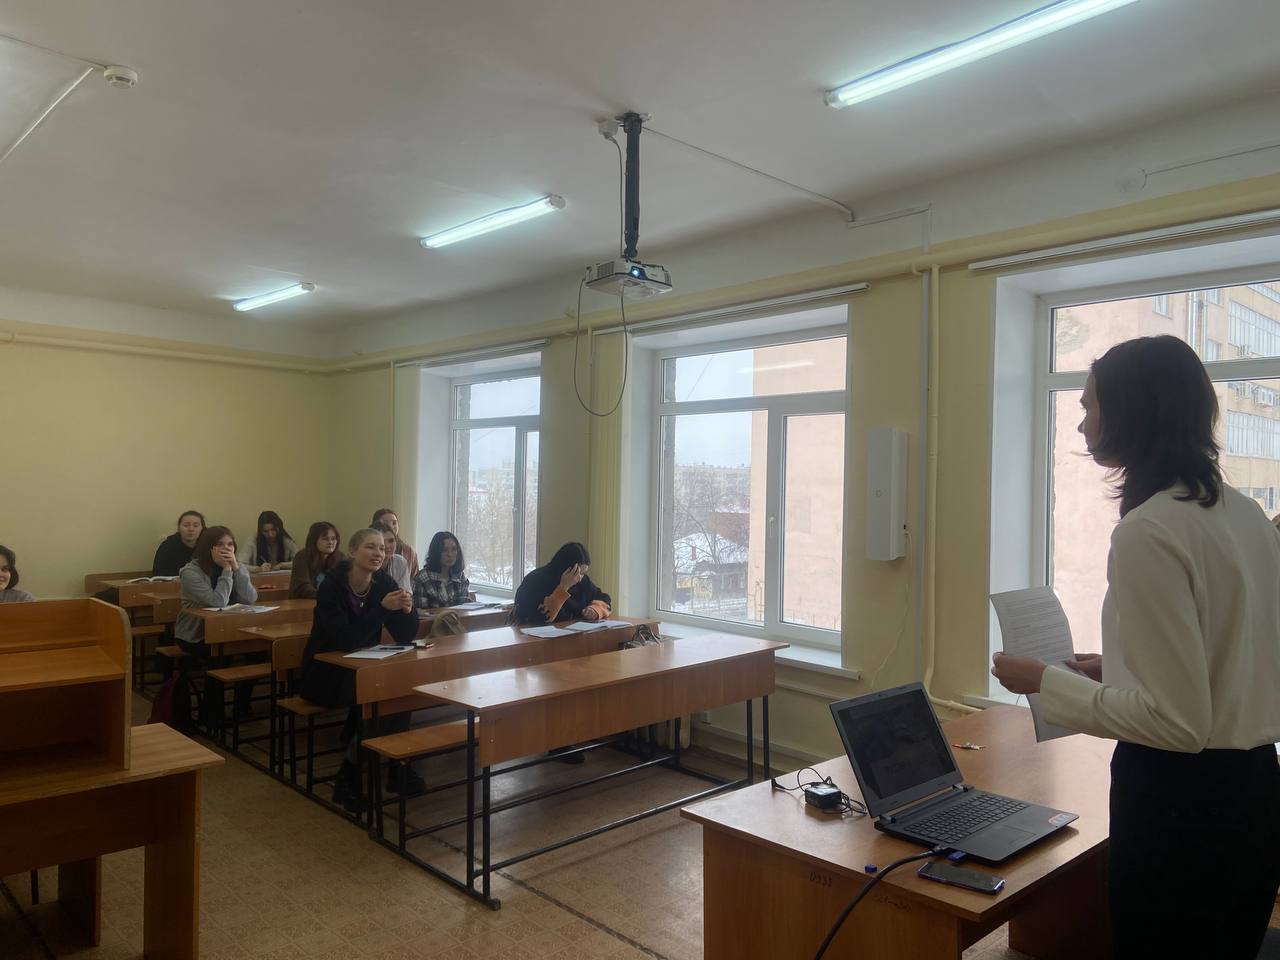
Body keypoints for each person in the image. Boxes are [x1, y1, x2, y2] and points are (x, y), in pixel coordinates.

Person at [991, 336, 1280, 959]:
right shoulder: (1247, 516)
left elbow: (1177, 724)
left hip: (1182, 807)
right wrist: (1115, 666)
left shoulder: (1149, 530)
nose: (1081, 422)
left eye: (1090, 406)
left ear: (1131, 410)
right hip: (1255, 792)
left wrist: (1046, 681)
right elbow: (1234, 654)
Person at [297, 528, 418, 810]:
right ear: (352, 551)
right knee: (378, 697)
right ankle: (349, 776)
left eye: (382, 548)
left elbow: (405, 635)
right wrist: (382, 609)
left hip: (362, 668)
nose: (379, 553)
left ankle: (397, 767)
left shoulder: (383, 581)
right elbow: (346, 640)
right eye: (370, 547)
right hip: (325, 672)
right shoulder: (332, 586)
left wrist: (407, 610)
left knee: (399, 693)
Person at [176, 526, 258, 719]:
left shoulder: (237, 566)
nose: (226, 549)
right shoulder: (190, 572)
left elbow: (250, 598)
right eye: (220, 544)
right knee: (219, 655)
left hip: (229, 629)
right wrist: (227, 570)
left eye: (230, 544)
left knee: (257, 651)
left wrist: (236, 569)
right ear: (208, 547)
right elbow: (217, 602)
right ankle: (212, 713)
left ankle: (241, 705)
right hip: (195, 634)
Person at [513, 542, 611, 625]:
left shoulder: (583, 582)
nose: (580, 578)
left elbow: (604, 599)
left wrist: (595, 610)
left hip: (573, 636)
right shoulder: (535, 580)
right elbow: (541, 618)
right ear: (566, 569)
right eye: (577, 573)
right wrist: (563, 587)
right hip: (535, 637)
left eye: (583, 573)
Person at [412, 531, 471, 610]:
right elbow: (420, 613)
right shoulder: (423, 578)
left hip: (459, 618)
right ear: (436, 552)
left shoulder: (460, 577)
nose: (450, 554)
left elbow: (465, 608)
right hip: (434, 618)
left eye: (454, 549)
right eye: (444, 550)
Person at [290, 521, 341, 599]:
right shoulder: (302, 556)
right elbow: (302, 587)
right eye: (325, 539)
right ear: (314, 540)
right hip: (305, 602)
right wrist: (327, 595)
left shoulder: (341, 557)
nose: (330, 542)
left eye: (333, 538)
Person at [152, 510, 206, 576]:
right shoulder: (167, 546)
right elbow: (158, 572)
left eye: (195, 526)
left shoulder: (207, 546)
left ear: (202, 528)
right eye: (186, 525)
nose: (191, 529)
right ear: (179, 528)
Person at [371, 508, 418, 577]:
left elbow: (414, 577)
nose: (391, 526)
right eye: (385, 523)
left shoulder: (408, 551)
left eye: (394, 523)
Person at [371, 520, 411, 592]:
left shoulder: (400, 562)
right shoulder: (366, 562)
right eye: (382, 541)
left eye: (391, 541)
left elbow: (405, 593)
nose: (387, 546)